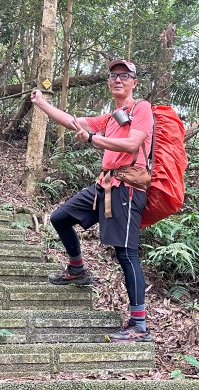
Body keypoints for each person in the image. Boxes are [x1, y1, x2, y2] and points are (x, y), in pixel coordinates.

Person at [29, 60, 156, 343]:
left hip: (128, 188)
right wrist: (41, 103)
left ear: (134, 82)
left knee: (126, 254)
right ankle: (77, 269)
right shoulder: (110, 118)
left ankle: (139, 325)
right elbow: (72, 121)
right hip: (105, 185)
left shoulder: (141, 109)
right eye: (113, 76)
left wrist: (93, 139)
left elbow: (132, 144)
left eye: (125, 76)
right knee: (60, 218)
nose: (118, 80)